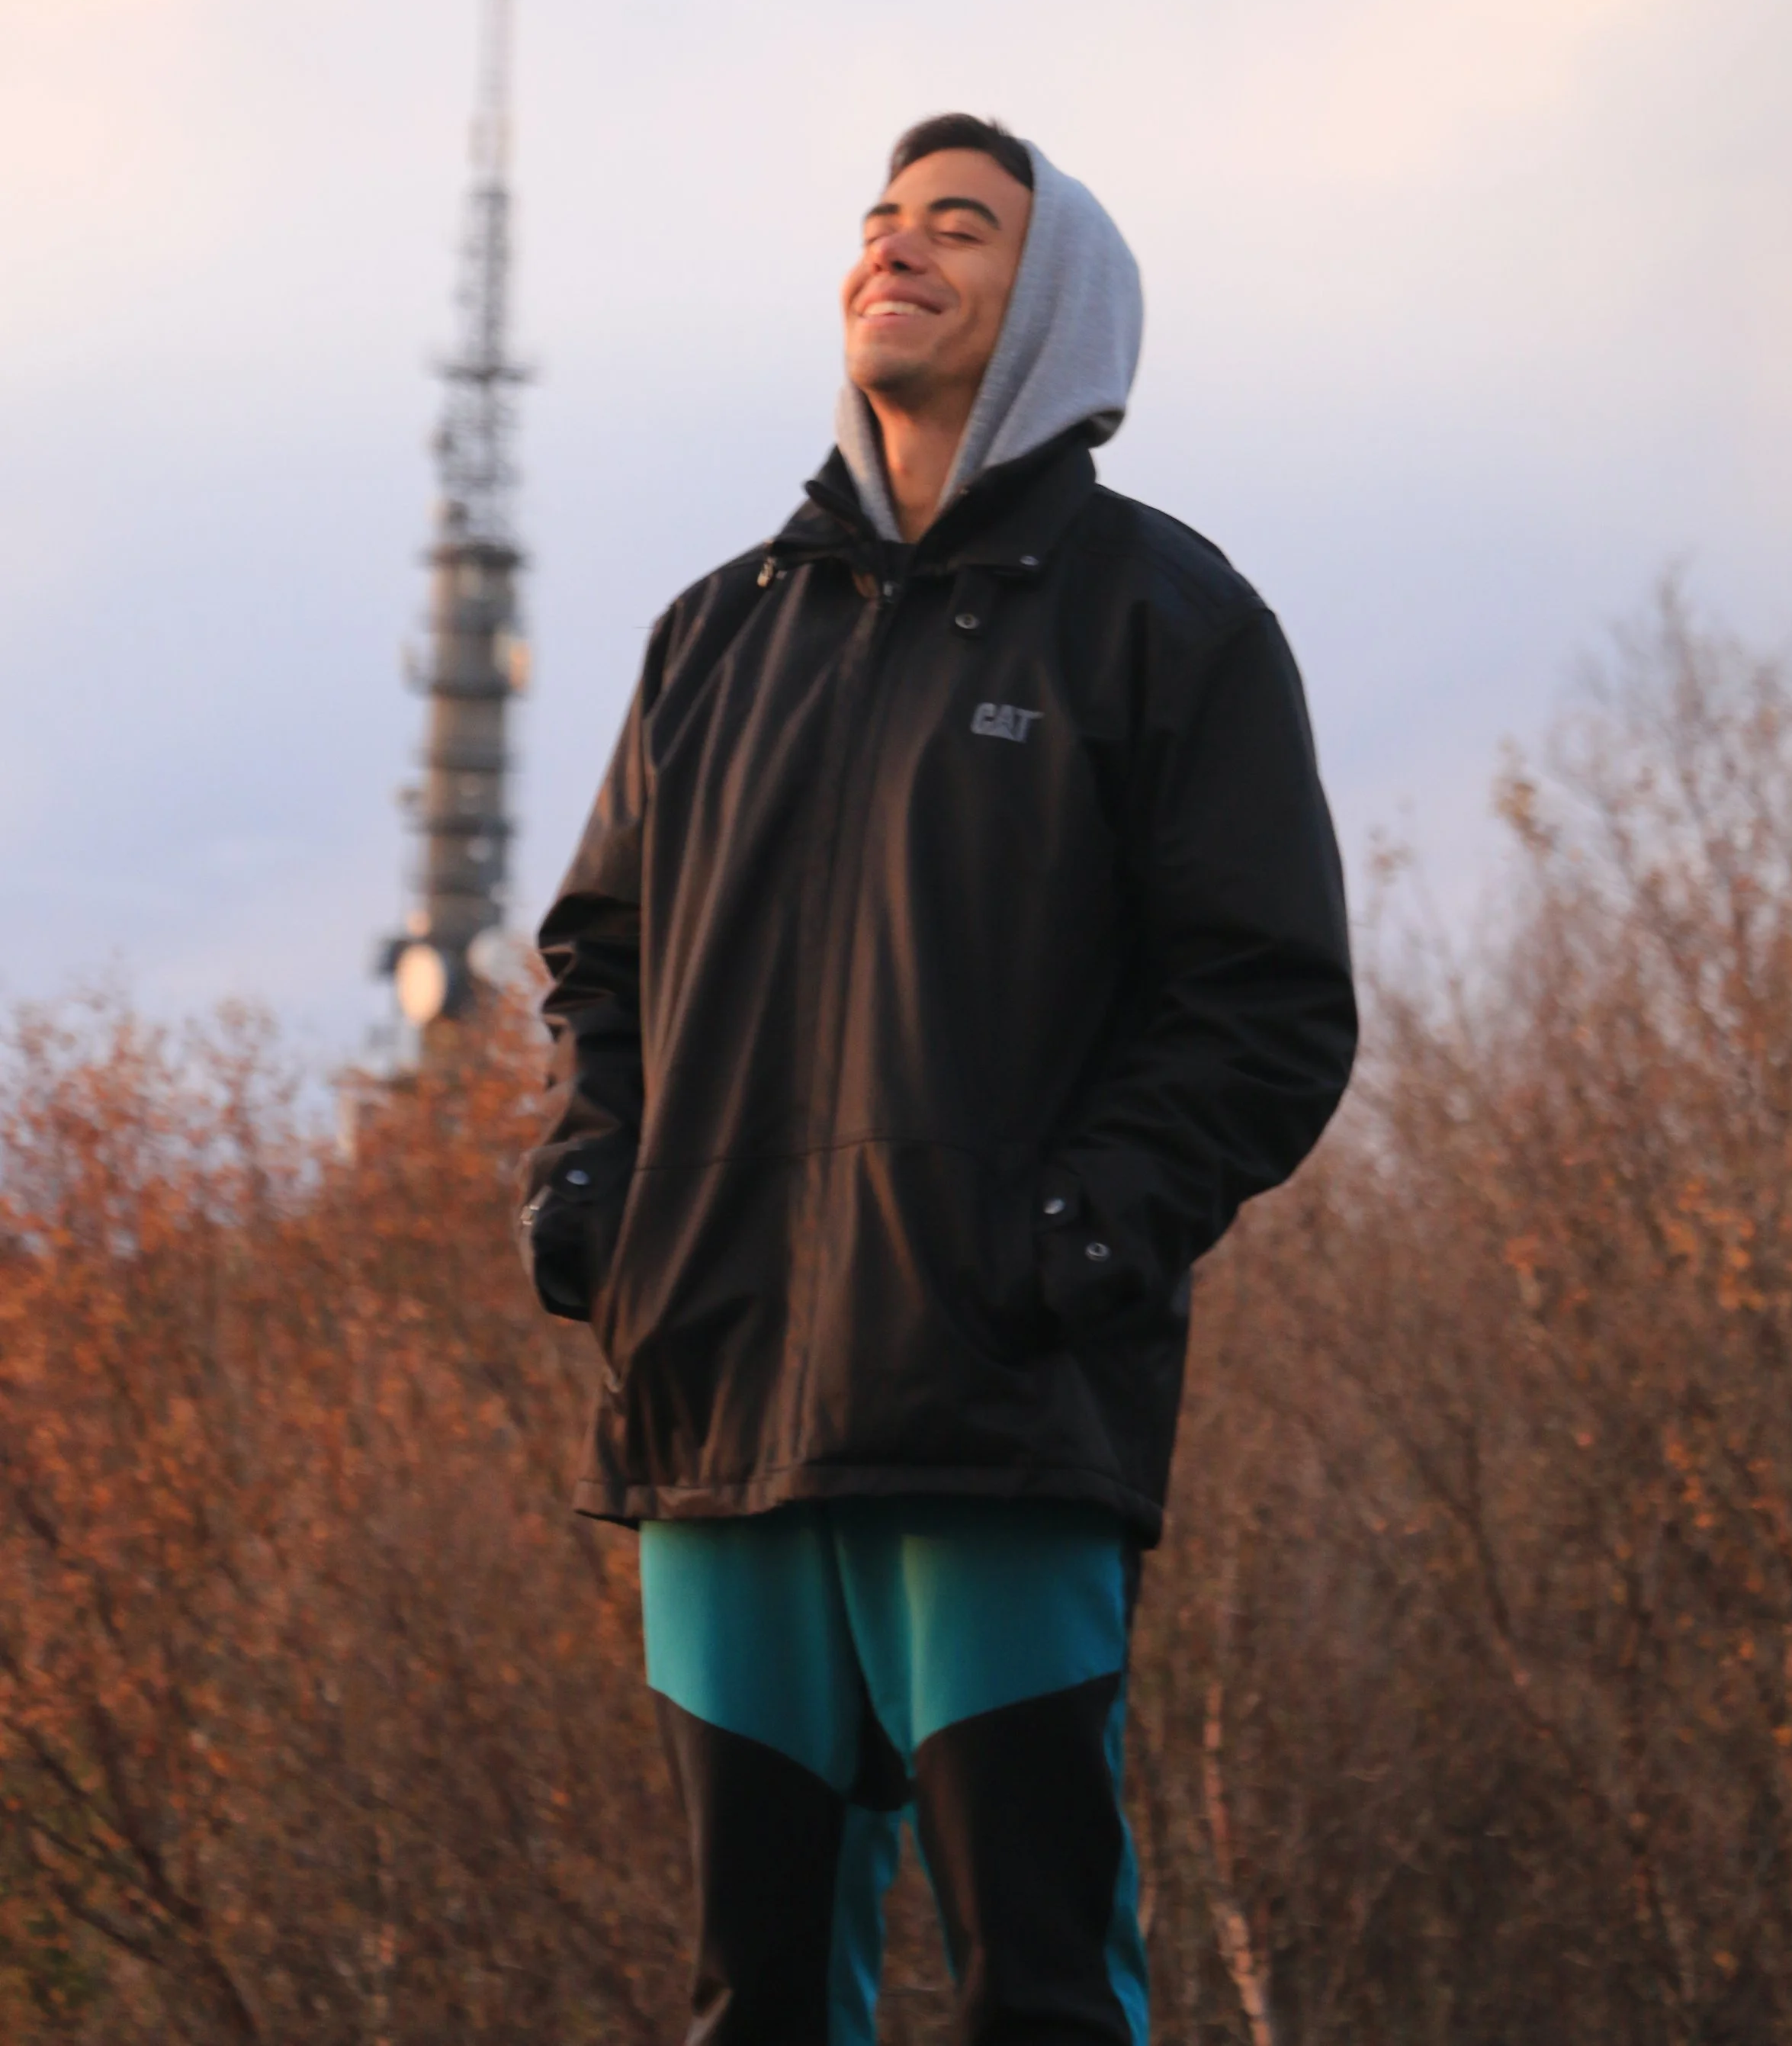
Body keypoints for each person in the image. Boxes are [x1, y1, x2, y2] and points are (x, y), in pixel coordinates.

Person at [519, 114, 1357, 2046]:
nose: (893, 252)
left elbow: (1263, 1005)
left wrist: (1066, 1243)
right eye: (879, 224)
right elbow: (600, 958)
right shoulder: (719, 633)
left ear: (1049, 299)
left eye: (956, 229)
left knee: (1035, 1989)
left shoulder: (1162, 618)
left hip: (988, 1398)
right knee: (755, 1998)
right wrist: (592, 1198)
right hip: (715, 1397)